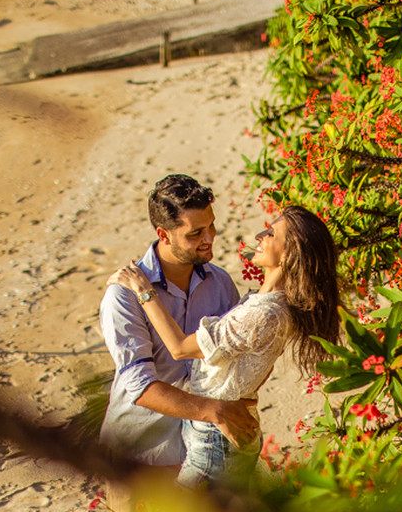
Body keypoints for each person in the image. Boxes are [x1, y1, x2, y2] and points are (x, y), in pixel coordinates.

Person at [108, 205, 341, 488]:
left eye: (271, 233)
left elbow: (180, 348)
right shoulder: (265, 304)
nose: (260, 235)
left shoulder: (262, 313)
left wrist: (143, 290)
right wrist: (236, 393)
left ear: (289, 253)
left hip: (214, 441)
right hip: (215, 432)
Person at [99, 174, 260, 469]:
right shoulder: (123, 295)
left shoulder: (221, 283)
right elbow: (140, 386)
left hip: (201, 447)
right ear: (164, 235)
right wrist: (216, 411)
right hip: (139, 451)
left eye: (211, 226)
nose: (209, 238)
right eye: (195, 233)